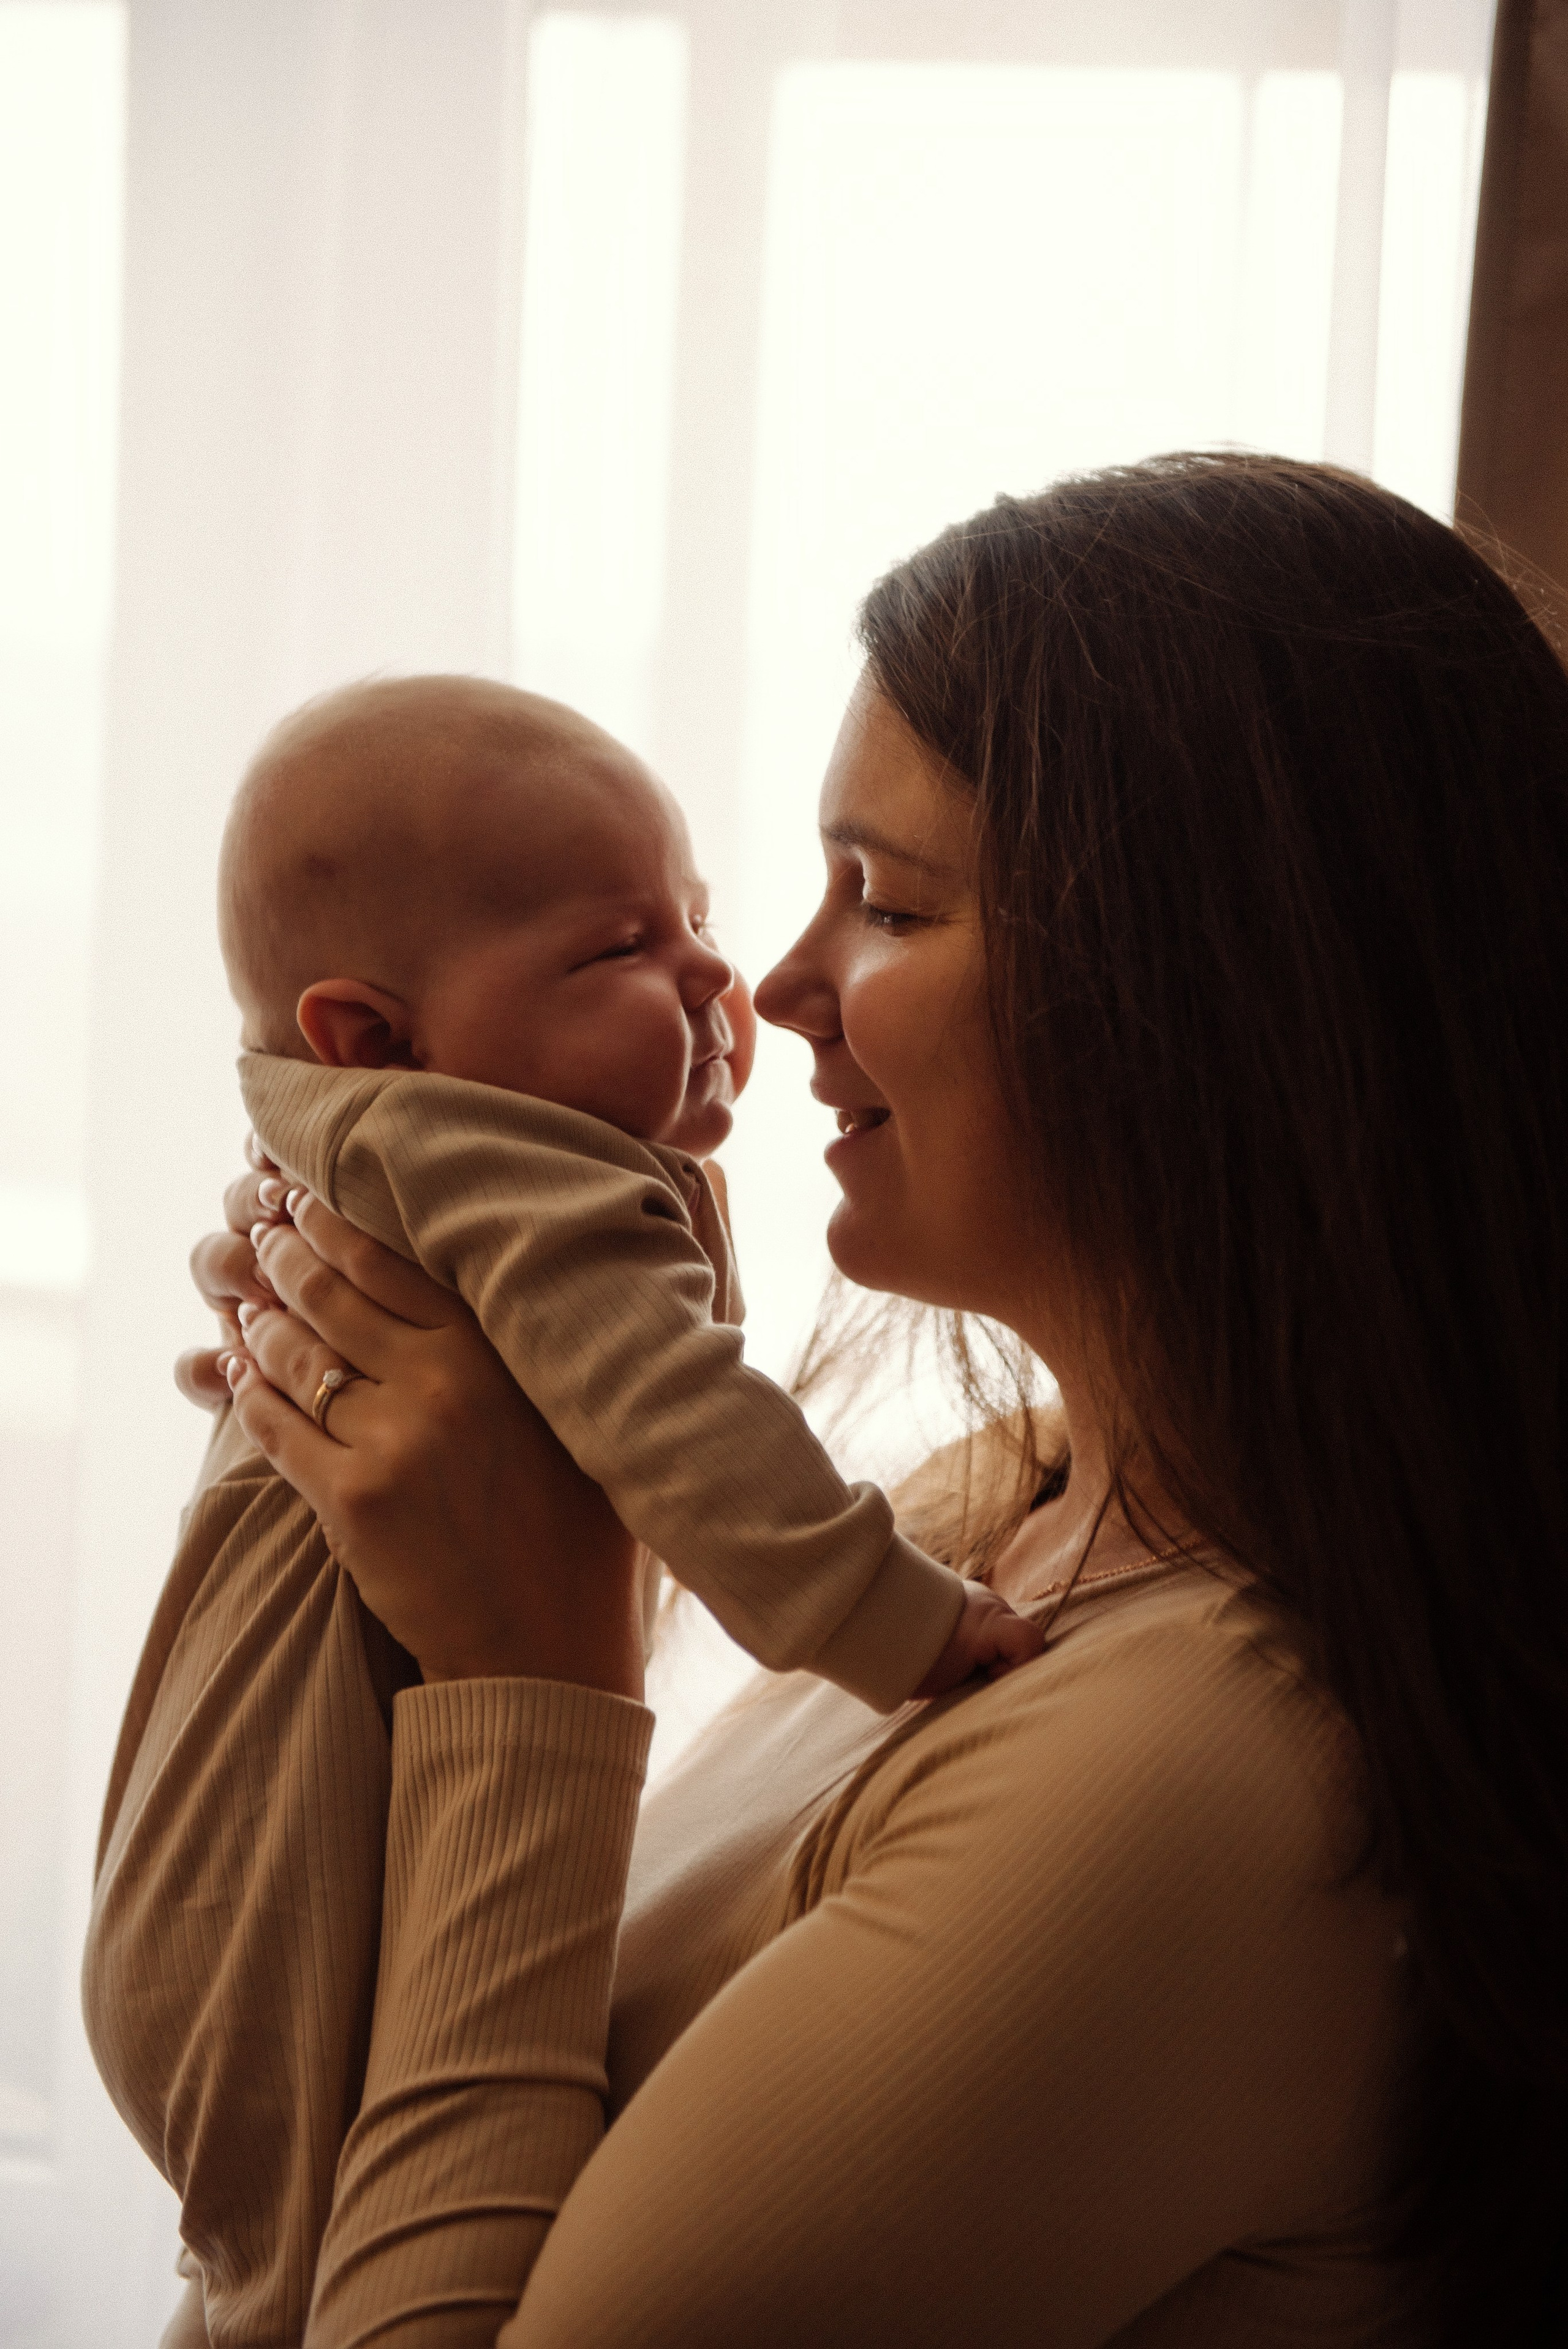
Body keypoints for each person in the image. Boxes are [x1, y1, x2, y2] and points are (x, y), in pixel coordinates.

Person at [170, 454, 1567, 2345]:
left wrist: (529, 1679)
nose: (777, 985)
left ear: (1210, 999)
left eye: (888, 904)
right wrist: (479, 1440)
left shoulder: (1198, 1779)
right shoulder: (999, 1505)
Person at [85, 678, 1037, 2347]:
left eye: (698, 921)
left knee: (258, 2274)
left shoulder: (382, 1144)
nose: (733, 984)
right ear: (370, 1038)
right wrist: (904, 1618)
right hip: (284, 1870)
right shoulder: (533, 1175)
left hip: (212, 1868)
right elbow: (691, 1426)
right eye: (621, 951)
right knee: (292, 2268)